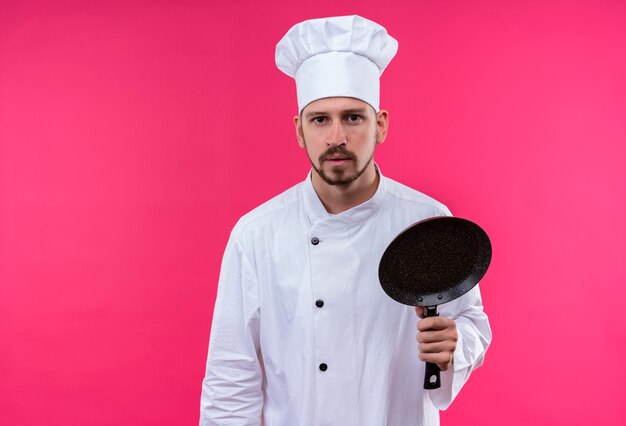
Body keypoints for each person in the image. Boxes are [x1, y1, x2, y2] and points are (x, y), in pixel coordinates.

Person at [200, 15, 491, 426]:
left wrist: (454, 347)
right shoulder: (256, 235)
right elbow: (232, 378)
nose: (336, 136)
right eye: (320, 119)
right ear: (299, 130)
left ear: (381, 125)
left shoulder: (427, 220)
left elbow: (472, 323)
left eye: (354, 117)